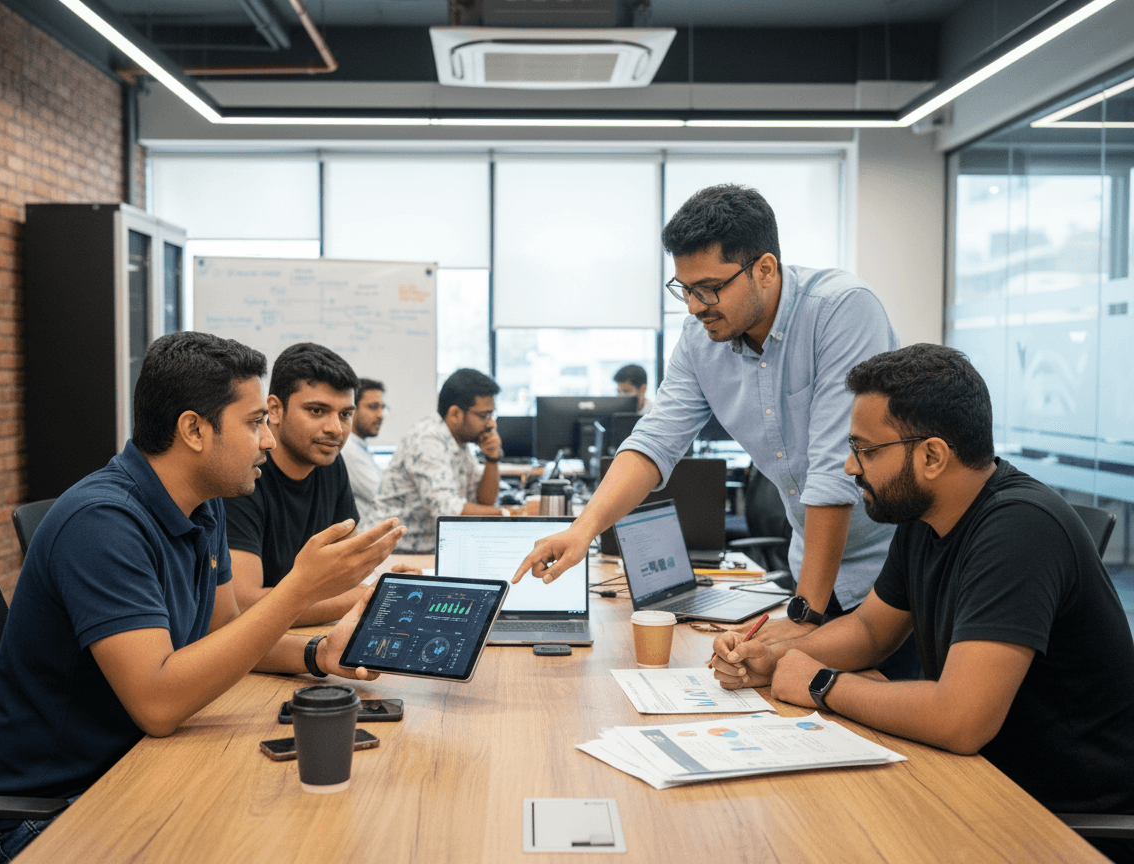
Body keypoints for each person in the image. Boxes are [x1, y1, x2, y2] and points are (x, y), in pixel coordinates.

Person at [0, 332, 404, 864]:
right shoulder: (101, 524)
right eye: (253, 423)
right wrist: (299, 589)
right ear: (194, 429)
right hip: (48, 815)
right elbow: (158, 704)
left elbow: (224, 633)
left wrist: (314, 655)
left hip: (137, 772)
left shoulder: (204, 503)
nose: (268, 439)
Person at [710, 343, 1134, 863]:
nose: (849, 466)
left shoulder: (1019, 530)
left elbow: (960, 719)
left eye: (865, 450)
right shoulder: (926, 516)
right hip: (976, 779)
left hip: (1053, 816)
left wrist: (821, 682)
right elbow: (871, 629)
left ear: (931, 456)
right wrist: (774, 659)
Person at [514, 184, 900, 649]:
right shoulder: (700, 340)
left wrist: (803, 615)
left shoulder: (840, 310)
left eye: (710, 289)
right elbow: (654, 442)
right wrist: (583, 530)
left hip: (892, 573)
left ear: (765, 269)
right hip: (813, 572)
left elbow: (833, 471)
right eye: (685, 289)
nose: (695, 307)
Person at [224, 344, 405, 627]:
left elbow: (348, 575)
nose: (335, 428)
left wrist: (384, 586)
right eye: (317, 410)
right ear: (275, 409)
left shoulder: (331, 463)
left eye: (345, 414)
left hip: (305, 634)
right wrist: (375, 596)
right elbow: (244, 604)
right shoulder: (242, 473)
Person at [376, 368, 524, 553]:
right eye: (484, 416)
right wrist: (510, 514)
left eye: (492, 415)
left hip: (430, 549)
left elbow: (483, 502)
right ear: (455, 414)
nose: (491, 424)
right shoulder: (427, 439)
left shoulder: (460, 443)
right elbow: (447, 510)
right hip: (394, 552)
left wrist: (492, 459)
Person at [342, 377, 386, 530]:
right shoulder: (347, 449)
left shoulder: (359, 446)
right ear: (351, 409)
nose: (380, 415)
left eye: (382, 407)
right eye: (373, 407)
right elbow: (386, 496)